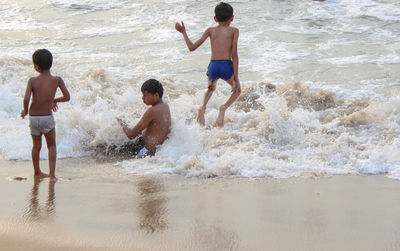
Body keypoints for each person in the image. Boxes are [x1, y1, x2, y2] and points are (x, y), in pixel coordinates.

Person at [175, 2, 241, 127]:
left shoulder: (210, 30)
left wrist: (183, 32)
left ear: (215, 19)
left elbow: (192, 47)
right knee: (237, 91)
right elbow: (234, 55)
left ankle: (202, 107)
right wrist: (236, 78)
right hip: (226, 65)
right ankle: (223, 108)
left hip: (213, 66)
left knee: (211, 88)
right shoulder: (234, 31)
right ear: (232, 18)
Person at [21, 49, 71, 182]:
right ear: (51, 64)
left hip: (33, 118)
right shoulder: (57, 80)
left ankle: (37, 172)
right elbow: (67, 97)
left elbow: (26, 99)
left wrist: (25, 111)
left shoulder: (32, 81)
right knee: (51, 146)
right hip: (47, 118)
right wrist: (55, 100)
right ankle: (52, 175)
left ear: (36, 67)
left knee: (36, 146)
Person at [117, 79, 171, 158]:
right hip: (158, 150)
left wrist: (121, 122)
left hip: (147, 151)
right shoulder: (165, 106)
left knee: (116, 151)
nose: (142, 98)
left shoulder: (151, 111)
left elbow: (131, 135)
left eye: (145, 95)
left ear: (156, 95)